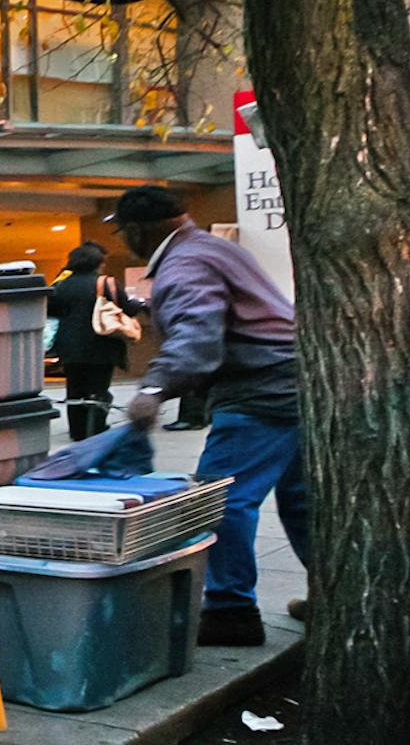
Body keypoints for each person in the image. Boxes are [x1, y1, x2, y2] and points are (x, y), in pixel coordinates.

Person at [112, 185, 308, 646]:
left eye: (123, 232)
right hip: (296, 381)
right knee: (302, 502)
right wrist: (144, 307)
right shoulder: (212, 248)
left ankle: (230, 611)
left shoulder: (184, 264)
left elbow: (197, 338)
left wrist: (153, 390)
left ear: (138, 231)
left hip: (259, 389)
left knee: (222, 500)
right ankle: (341, 597)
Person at [47, 243, 137, 441]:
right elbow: (128, 308)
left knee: (75, 389)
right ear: (98, 263)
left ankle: (77, 431)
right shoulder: (106, 283)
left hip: (70, 346)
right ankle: (96, 427)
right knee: (98, 388)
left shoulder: (62, 284)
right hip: (102, 344)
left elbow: (51, 310)